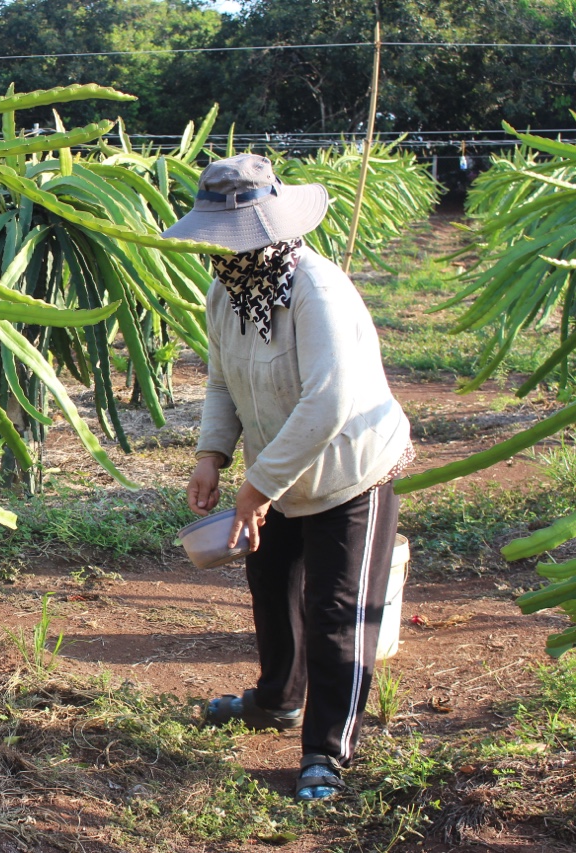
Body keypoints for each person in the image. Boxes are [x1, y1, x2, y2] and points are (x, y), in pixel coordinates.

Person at [160, 153, 413, 802]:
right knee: (271, 590)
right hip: (277, 477)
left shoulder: (317, 292)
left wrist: (257, 486)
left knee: (334, 611)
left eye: (231, 240)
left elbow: (328, 401)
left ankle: (327, 750)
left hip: (349, 474)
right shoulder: (227, 293)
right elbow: (223, 379)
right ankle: (277, 700)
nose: (221, 254)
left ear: (266, 232)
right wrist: (212, 454)